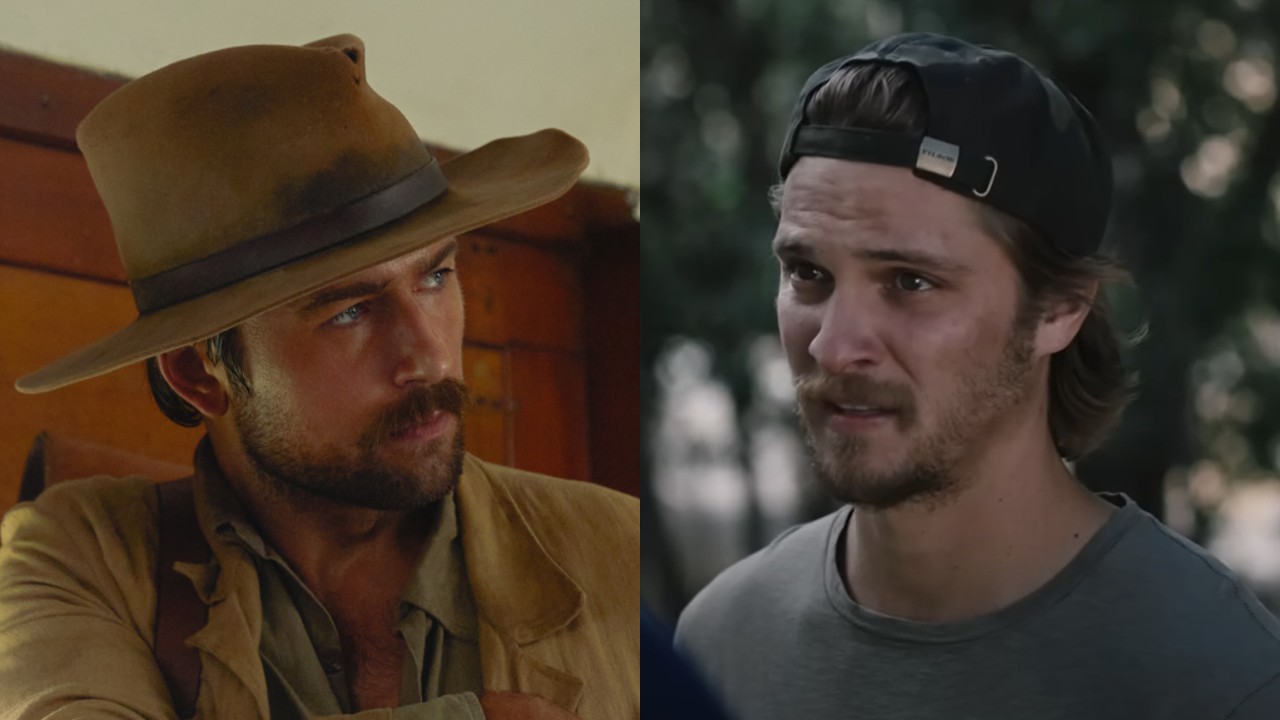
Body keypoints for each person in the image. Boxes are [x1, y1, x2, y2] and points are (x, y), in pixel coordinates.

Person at [0, 35, 638, 720]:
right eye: (351, 312)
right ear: (199, 374)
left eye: (435, 276)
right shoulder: (79, 555)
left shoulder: (619, 548)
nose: (428, 358)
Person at [675, 32, 1280, 720]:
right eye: (808, 275)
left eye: (910, 281)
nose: (836, 346)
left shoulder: (1225, 683)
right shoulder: (718, 643)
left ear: (1060, 309)